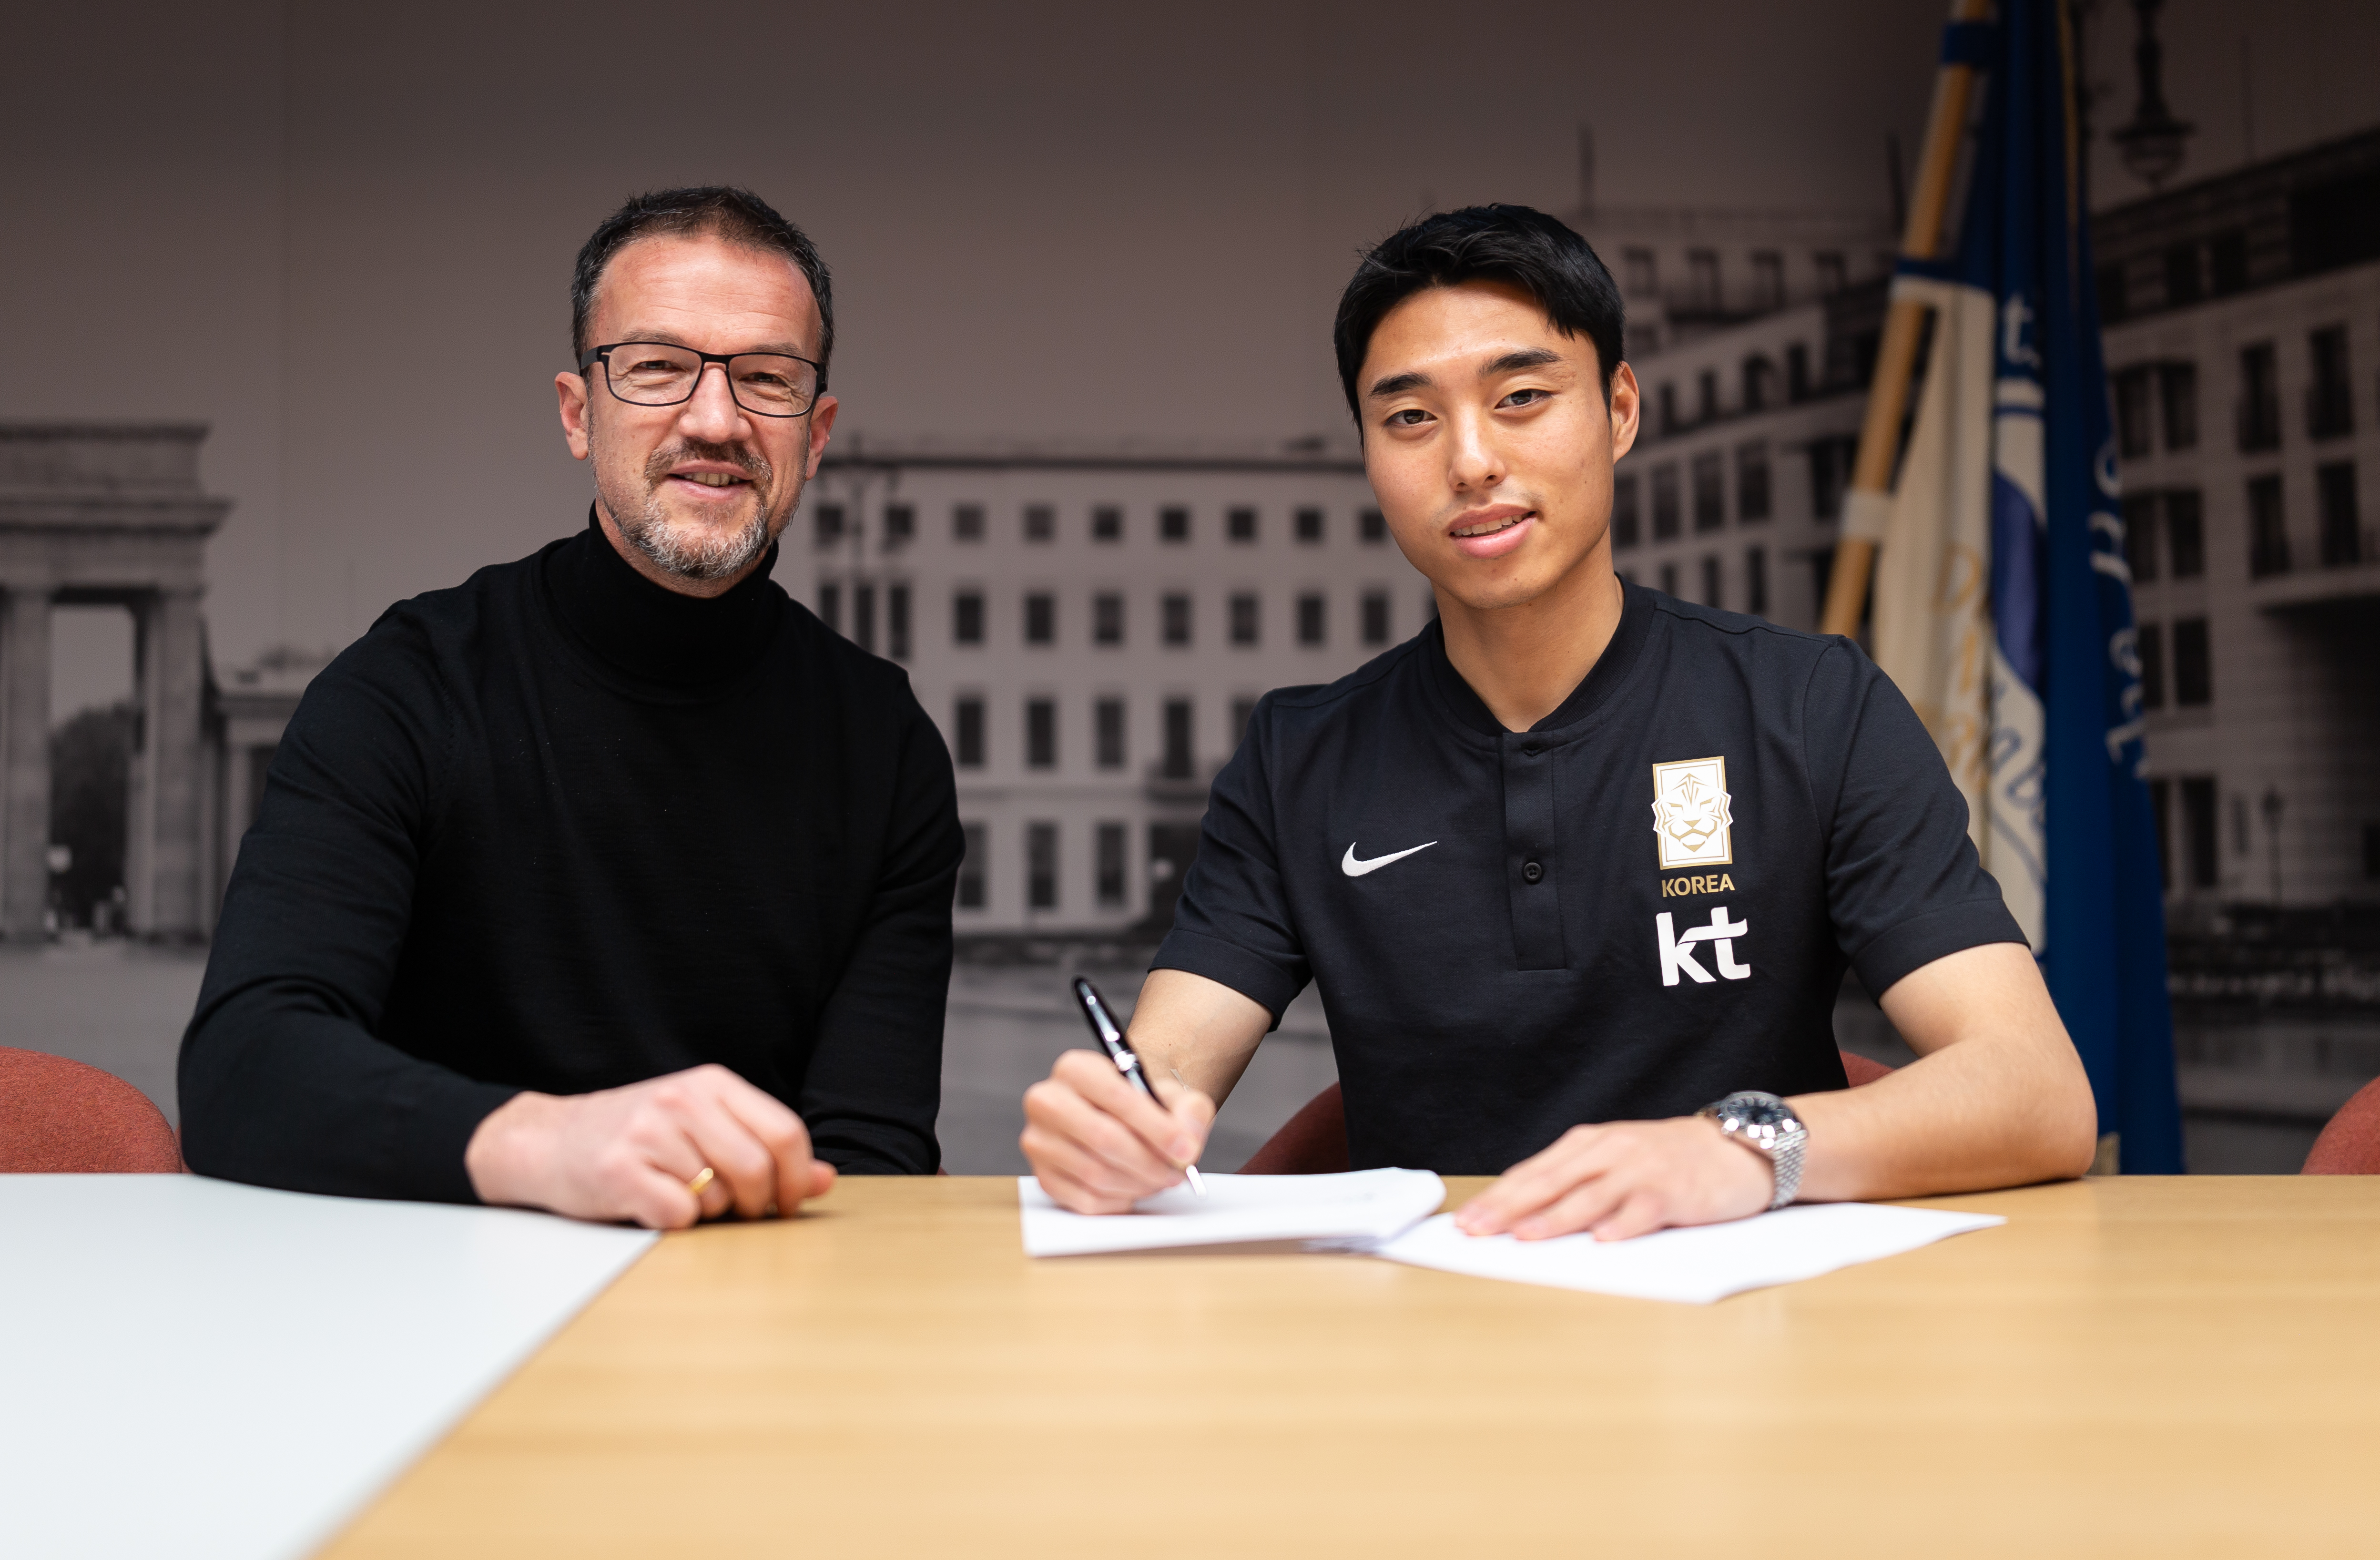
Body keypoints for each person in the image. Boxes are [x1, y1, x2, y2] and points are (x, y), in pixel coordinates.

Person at [1020, 205, 2097, 1239]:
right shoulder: (1299, 756)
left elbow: (2035, 1091)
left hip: (1760, 1338)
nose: (1471, 459)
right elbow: (1163, 1074)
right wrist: (1112, 1133)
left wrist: (1731, 1151)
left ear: (1620, 409)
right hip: (1433, 1342)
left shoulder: (1811, 705)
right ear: (1367, 453)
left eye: (1522, 396)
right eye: (1409, 417)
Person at [182, 187, 963, 1229]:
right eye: (656, 367)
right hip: (419, 1305)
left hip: (743, 1317)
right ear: (575, 413)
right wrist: (550, 1141)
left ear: (814, 435)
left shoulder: (885, 743)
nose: (716, 419)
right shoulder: (406, 685)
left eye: (767, 380)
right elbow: (246, 1067)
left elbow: (870, 1162)